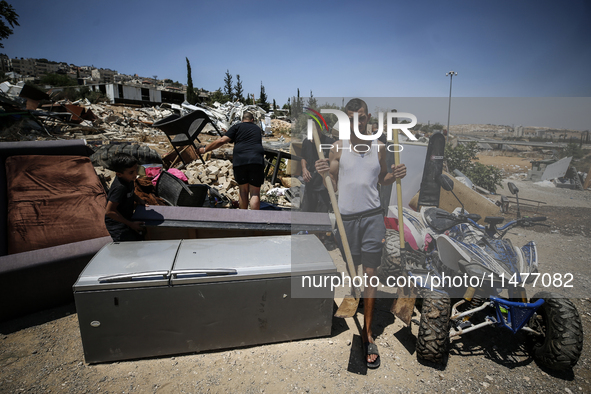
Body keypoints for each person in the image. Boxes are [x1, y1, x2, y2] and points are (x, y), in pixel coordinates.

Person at [315, 98, 406, 369]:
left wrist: (395, 174)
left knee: (370, 274)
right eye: (352, 118)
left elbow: (381, 179)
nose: (358, 122)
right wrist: (323, 172)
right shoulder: (337, 148)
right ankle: (355, 297)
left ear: (368, 119)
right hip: (346, 220)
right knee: (353, 269)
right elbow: (332, 178)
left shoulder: (379, 148)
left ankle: (368, 333)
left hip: (372, 217)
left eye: (362, 117)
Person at [199, 112, 265, 210]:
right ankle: (255, 221)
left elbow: (222, 141)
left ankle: (243, 218)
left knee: (243, 191)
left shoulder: (237, 127)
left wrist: (204, 149)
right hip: (256, 160)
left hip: (240, 161)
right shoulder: (257, 129)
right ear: (252, 120)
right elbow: (246, 138)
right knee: (255, 192)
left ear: (242, 120)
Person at [105, 153, 147, 242]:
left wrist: (139, 200)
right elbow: (109, 211)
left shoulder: (129, 179)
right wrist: (131, 224)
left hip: (128, 218)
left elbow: (130, 193)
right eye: (131, 172)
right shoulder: (120, 188)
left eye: (136, 170)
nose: (135, 174)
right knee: (129, 246)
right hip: (117, 224)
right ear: (119, 174)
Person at [300, 123, 334, 212]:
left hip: (324, 185)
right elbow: (303, 158)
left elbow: (335, 162)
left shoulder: (329, 142)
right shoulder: (306, 142)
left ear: (320, 128)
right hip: (310, 183)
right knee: (306, 213)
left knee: (321, 216)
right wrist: (304, 169)